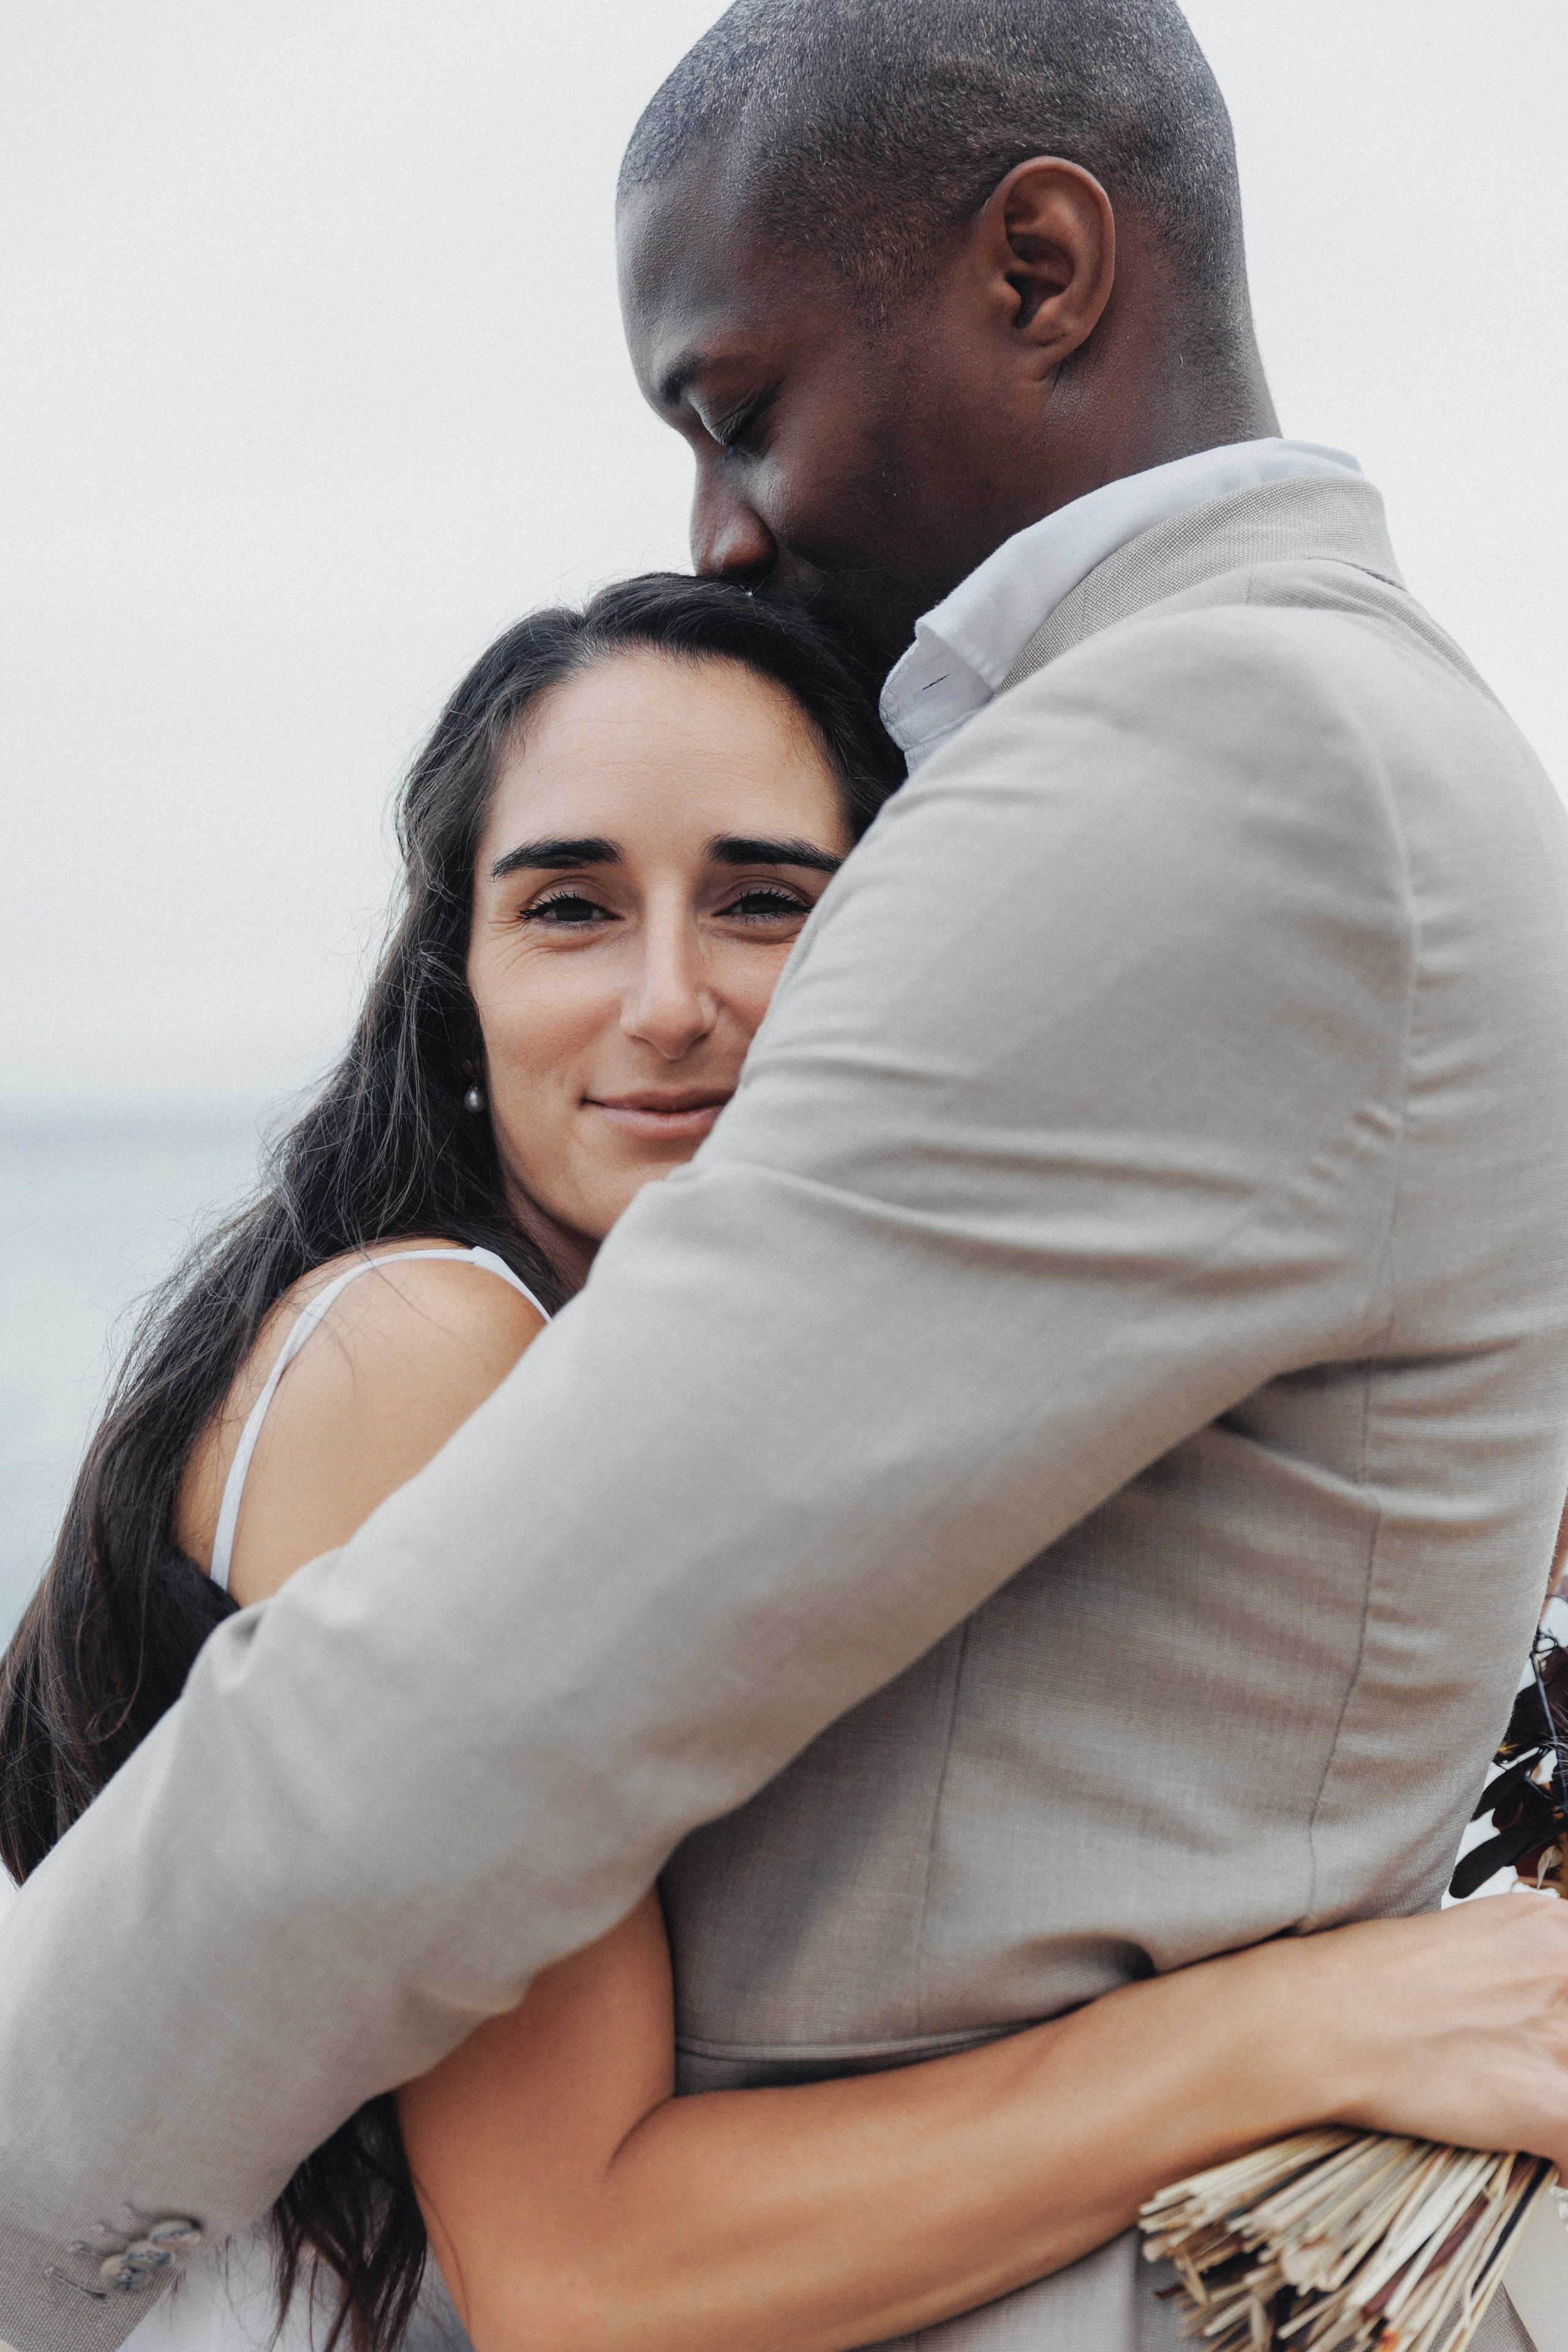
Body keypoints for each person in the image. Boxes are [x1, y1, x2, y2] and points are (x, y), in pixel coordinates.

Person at [2, 4, 1568, 2350]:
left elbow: (450, 1724)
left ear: (1044, 270)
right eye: (562, 904)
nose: (722, 526)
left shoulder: (1207, 755)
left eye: (738, 410)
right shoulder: (1374, 745)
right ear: (446, 978)